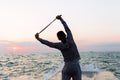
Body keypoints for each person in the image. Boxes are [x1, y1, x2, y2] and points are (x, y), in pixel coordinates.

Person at [35, 15, 82, 80]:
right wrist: (61, 19)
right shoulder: (70, 39)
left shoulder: (59, 45)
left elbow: (48, 43)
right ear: (65, 35)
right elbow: (67, 28)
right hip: (76, 66)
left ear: (58, 38)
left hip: (67, 67)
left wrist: (38, 38)